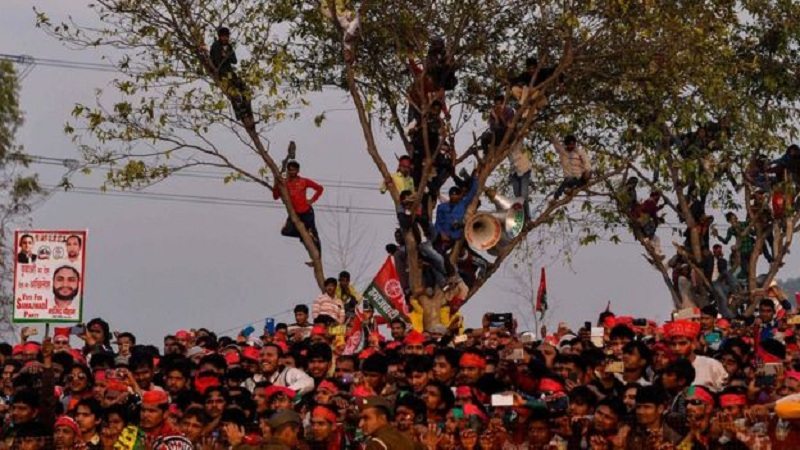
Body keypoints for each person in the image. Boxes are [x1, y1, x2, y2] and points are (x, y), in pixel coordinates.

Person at [273, 161, 324, 260]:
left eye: (294, 170)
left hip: (306, 212)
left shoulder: (304, 181)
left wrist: (312, 200)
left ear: (298, 171)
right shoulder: (285, 183)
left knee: (314, 235)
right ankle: (304, 235)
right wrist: (276, 185)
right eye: (290, 170)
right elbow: (275, 196)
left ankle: (317, 259)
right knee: (285, 231)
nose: (292, 172)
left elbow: (320, 188)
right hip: (294, 213)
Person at [209, 27, 253, 124]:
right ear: (220, 37)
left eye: (227, 37)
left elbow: (234, 60)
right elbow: (216, 60)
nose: (225, 39)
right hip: (222, 74)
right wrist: (223, 56)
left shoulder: (228, 46)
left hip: (230, 73)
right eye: (224, 37)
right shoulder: (216, 46)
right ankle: (239, 113)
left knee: (245, 91)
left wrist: (227, 55)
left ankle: (247, 112)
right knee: (234, 94)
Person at [552, 135, 592, 200]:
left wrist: (587, 172)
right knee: (566, 183)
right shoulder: (563, 152)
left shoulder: (580, 152)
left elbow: (586, 163)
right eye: (569, 145)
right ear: (566, 145)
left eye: (573, 144)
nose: (571, 146)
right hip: (569, 178)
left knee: (587, 172)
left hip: (580, 177)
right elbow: (556, 143)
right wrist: (551, 134)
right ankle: (561, 194)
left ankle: (560, 194)